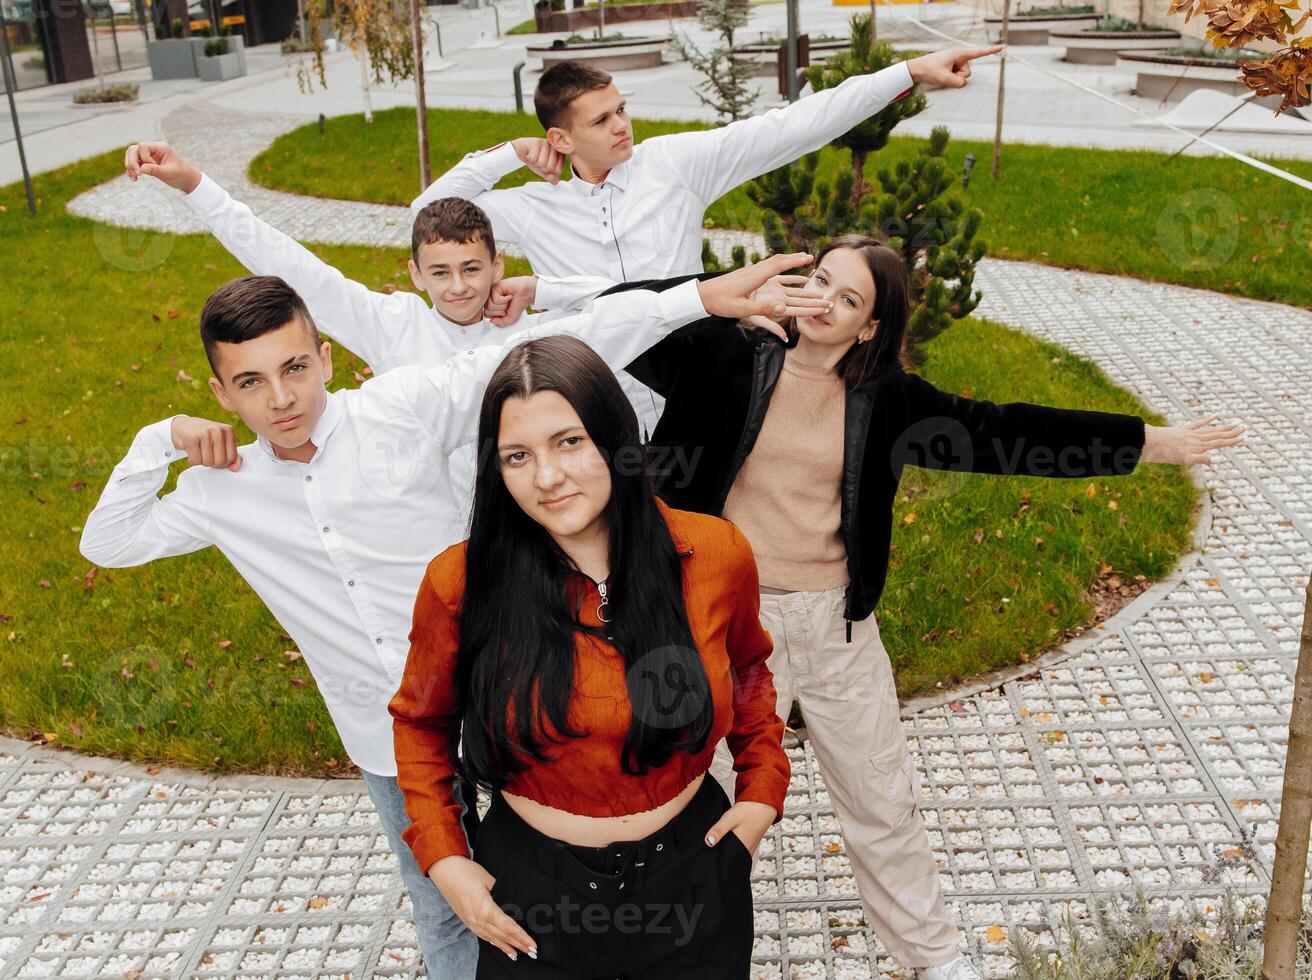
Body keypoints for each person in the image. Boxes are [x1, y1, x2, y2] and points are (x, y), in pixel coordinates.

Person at [79, 255, 814, 978]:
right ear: (220, 392)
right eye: (250, 382)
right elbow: (107, 543)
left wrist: (697, 297)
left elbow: (553, 359)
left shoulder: (399, 410)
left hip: (521, 677)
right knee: (444, 902)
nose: (280, 398)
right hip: (389, 728)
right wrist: (157, 442)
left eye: (294, 367)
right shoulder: (222, 491)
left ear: (326, 358)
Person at [620, 235, 1245, 980]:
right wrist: (701, 292)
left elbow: (1004, 431)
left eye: (848, 299)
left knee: (882, 803)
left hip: (833, 628)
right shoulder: (722, 354)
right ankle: (672, 958)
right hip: (721, 625)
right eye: (819, 281)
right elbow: (620, 317)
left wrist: (1151, 444)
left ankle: (936, 958)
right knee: (698, 801)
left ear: (871, 328)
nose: (823, 302)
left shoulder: (886, 400)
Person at [389, 334, 789, 979]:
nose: (547, 478)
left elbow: (747, 672)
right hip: (531, 895)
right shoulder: (461, 583)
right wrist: (445, 858)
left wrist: (762, 789)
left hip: (694, 870)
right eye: (517, 456)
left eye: (569, 441)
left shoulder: (715, 554)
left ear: (615, 438)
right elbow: (421, 722)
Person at [409, 46, 1001, 430]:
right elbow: (429, 213)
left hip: (695, 390)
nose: (622, 127)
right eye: (600, 120)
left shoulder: (674, 164)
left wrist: (907, 75)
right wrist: (507, 153)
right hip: (589, 399)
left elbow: (791, 127)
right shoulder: (535, 207)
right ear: (560, 140)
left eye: (621, 110)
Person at [122, 141, 624, 510]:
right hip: (420, 517)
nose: (457, 287)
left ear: (497, 266)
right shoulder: (392, 322)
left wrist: (540, 289)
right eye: (440, 273)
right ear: (414, 274)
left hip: (524, 508)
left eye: (472, 269)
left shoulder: (525, 330)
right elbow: (290, 263)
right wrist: (195, 186)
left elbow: (621, 302)